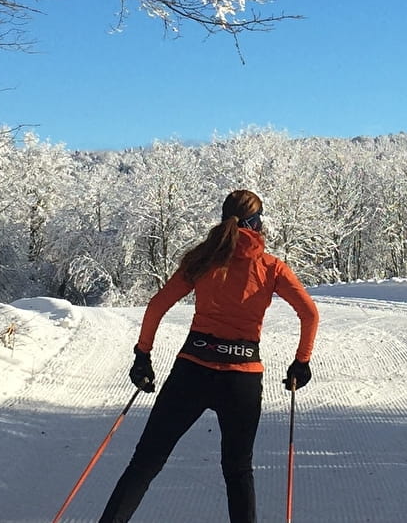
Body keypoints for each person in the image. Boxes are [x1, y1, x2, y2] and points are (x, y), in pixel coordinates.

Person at [98, 189, 320, 523]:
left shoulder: (202, 259)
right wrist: (301, 362)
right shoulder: (272, 267)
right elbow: (310, 314)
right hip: (242, 378)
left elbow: (157, 305)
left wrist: (143, 355)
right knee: (238, 471)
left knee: (146, 462)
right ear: (257, 223)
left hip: (193, 371)